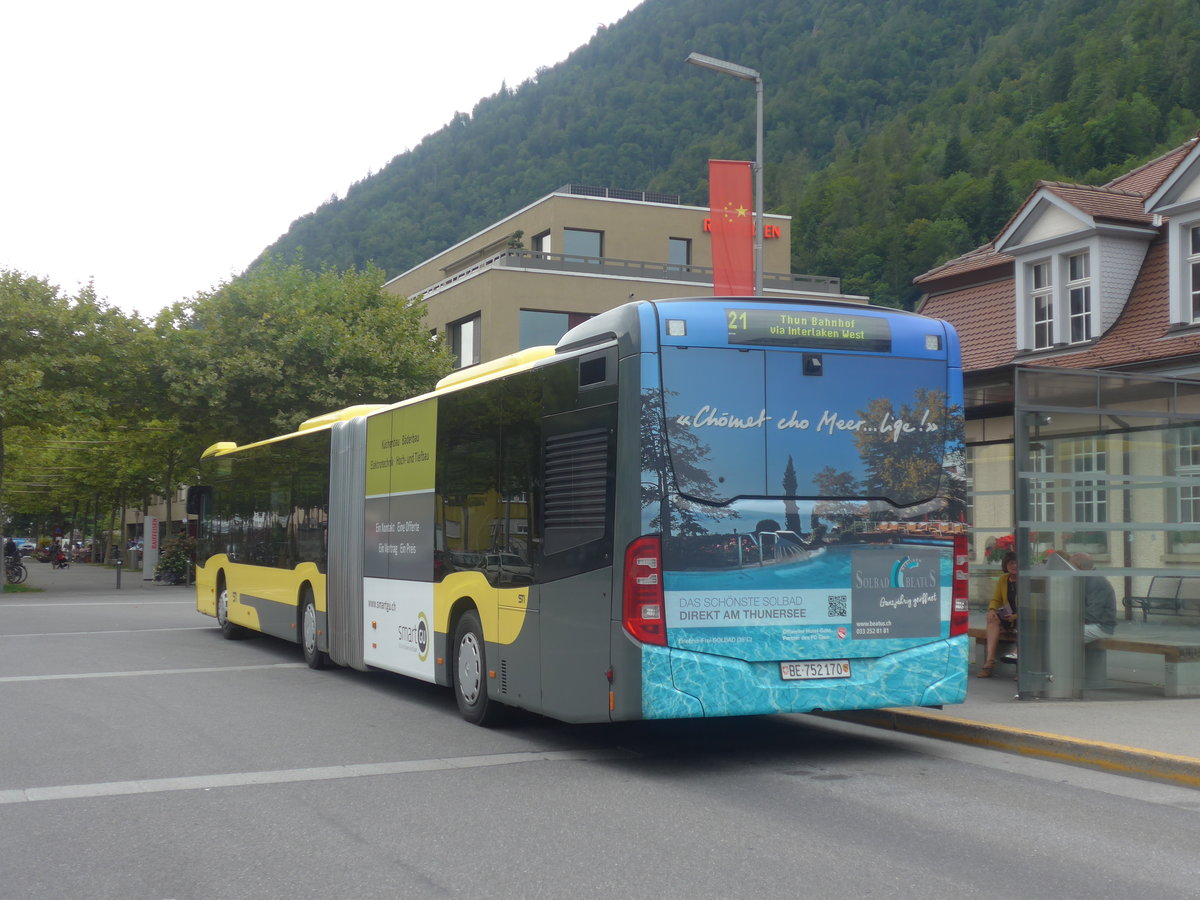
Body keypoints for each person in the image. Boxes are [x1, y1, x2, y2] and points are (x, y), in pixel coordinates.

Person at [978, 551, 1018, 678]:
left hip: (1023, 613)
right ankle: (990, 662)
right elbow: (996, 599)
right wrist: (991, 610)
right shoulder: (1003, 579)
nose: (1014, 566)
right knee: (992, 619)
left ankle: (1020, 662)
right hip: (1009, 612)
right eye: (1011, 563)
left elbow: (1031, 604)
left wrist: (1016, 617)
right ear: (1006, 565)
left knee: (1026, 623)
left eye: (1017, 563)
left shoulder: (1026, 579)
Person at [1069, 552, 1116, 641]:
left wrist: (1070, 620)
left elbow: (1093, 614)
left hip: (1101, 627)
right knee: (1061, 631)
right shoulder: (1088, 578)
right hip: (1093, 624)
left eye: (1070, 566)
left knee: (1064, 634)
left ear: (1078, 566)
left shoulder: (1095, 581)